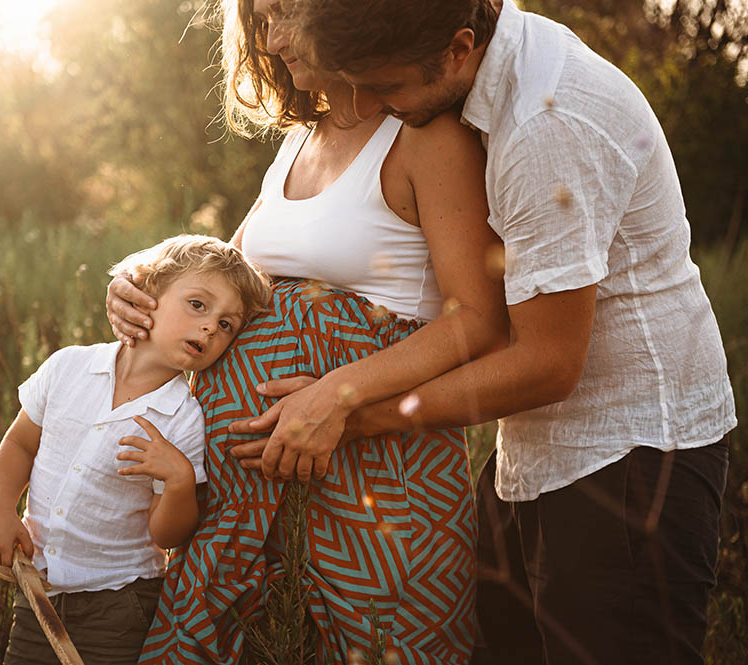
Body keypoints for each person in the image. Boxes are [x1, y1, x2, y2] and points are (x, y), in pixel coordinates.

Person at [286, 1, 738, 664]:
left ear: (459, 48)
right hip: (539, 447)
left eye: (386, 86)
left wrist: (355, 411)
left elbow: (550, 364)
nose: (376, 106)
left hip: (630, 456)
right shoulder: (490, 58)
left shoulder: (544, 124)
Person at [107, 1, 509, 662]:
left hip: (380, 485)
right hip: (249, 496)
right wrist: (137, 285)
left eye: (288, 12)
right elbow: (229, 275)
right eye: (260, 18)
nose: (272, 38)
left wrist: (337, 395)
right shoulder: (298, 140)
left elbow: (480, 322)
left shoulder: (422, 137)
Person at [0, 235, 271, 665]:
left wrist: (177, 481)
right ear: (148, 294)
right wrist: (2, 511)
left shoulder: (182, 418)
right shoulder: (68, 367)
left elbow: (167, 536)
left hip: (119, 605)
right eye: (198, 305)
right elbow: (21, 443)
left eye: (227, 324)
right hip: (37, 592)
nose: (211, 326)